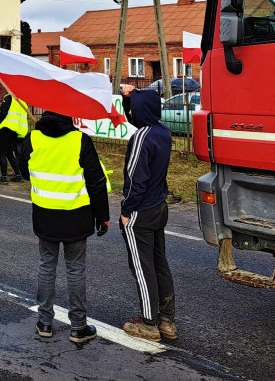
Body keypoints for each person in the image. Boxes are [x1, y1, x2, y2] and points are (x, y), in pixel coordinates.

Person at [30, 110, 111, 344]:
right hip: (76, 216)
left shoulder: (33, 138)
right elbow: (96, 182)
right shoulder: (80, 140)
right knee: (75, 269)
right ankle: (78, 327)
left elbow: (25, 170)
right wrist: (102, 216)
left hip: (45, 215)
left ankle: (44, 323)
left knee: (46, 265)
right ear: (69, 117)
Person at [119, 86, 177, 342]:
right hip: (158, 206)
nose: (130, 111)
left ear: (141, 111)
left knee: (142, 268)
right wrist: (128, 97)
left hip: (140, 212)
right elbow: (135, 116)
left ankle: (149, 322)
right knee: (159, 263)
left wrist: (126, 210)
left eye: (133, 107)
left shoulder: (140, 139)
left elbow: (134, 180)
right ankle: (167, 320)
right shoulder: (162, 132)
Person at [0, 92, 31, 184]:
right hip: (16, 129)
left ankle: (3, 177)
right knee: (10, 153)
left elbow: (3, 112)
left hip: (6, 127)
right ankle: (18, 175)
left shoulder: (9, 98)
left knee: (2, 153)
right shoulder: (22, 101)